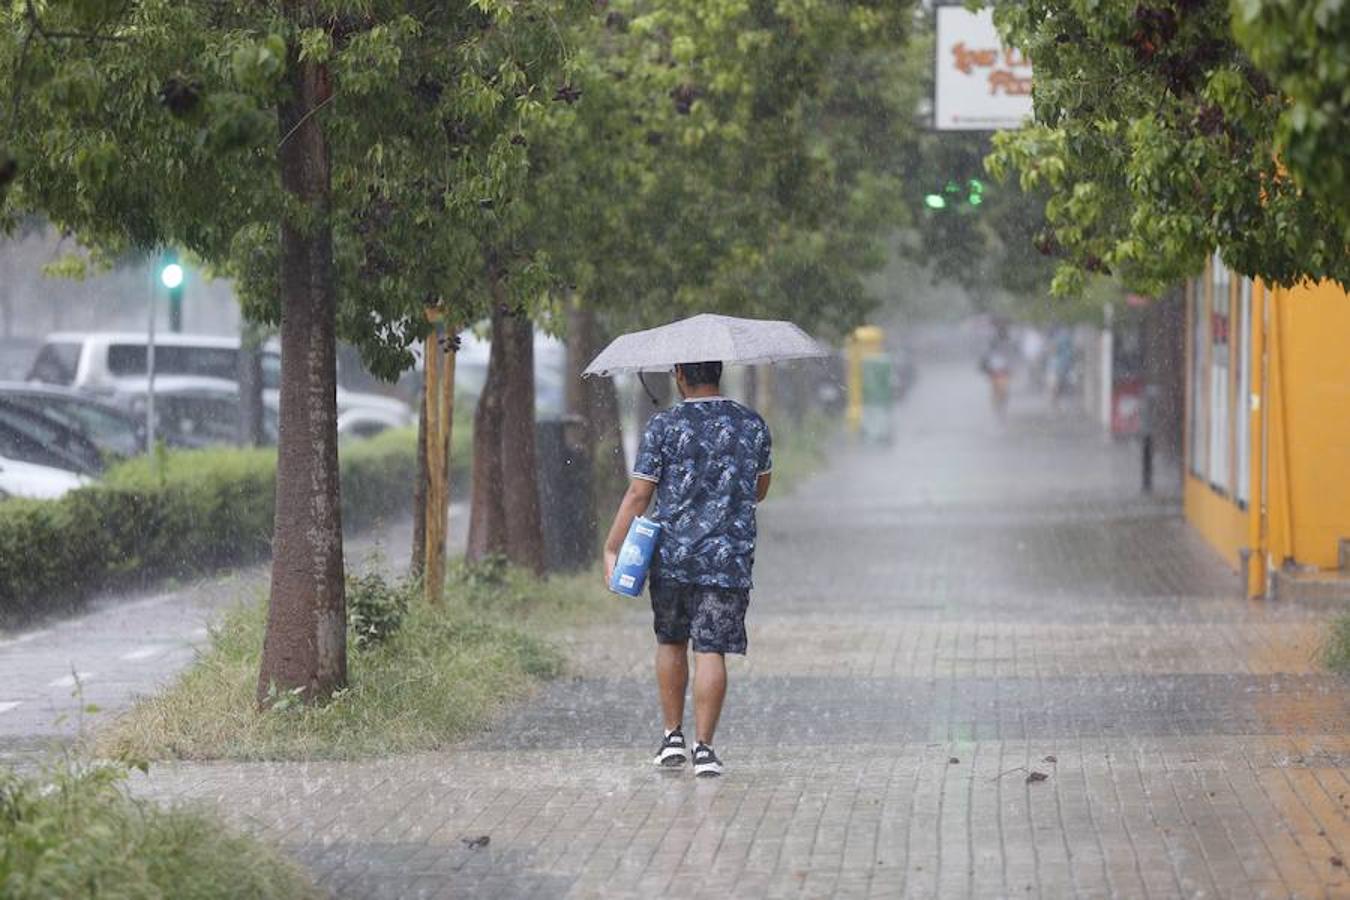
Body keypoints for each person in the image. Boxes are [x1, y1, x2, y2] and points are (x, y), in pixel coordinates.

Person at [603, 360, 772, 777]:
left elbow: (639, 493)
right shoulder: (751, 424)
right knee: (711, 649)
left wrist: (612, 548)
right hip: (727, 558)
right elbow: (759, 490)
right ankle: (705, 749)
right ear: (719, 373)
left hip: (673, 558)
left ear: (679, 374)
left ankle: (671, 736)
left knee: (672, 641)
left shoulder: (665, 426)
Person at [980, 322, 1017, 417]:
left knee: (1000, 391)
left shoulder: (1007, 342)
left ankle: (999, 410)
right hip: (996, 369)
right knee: (999, 391)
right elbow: (986, 355)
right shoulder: (996, 342)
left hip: (1001, 370)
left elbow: (1012, 356)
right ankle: (998, 410)